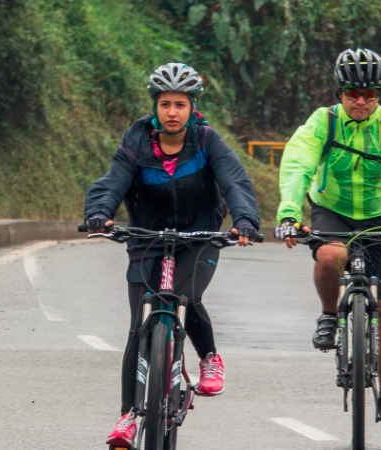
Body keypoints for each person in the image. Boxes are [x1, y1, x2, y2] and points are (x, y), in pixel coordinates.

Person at [83, 62, 263, 447]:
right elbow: (113, 181)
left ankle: (210, 357)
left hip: (198, 237)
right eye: (165, 103)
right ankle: (128, 416)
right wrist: (99, 213)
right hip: (147, 237)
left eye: (180, 104)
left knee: (187, 294)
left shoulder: (206, 140)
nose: (171, 111)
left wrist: (245, 219)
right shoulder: (137, 140)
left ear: (192, 106)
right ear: (155, 106)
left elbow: (234, 180)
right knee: (139, 324)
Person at [273, 48, 381, 424]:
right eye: (353, 93)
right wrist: (289, 212)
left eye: (370, 94)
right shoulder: (324, 122)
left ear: (379, 95)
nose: (361, 101)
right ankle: (328, 314)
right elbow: (299, 162)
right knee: (330, 256)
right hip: (332, 210)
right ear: (340, 93)